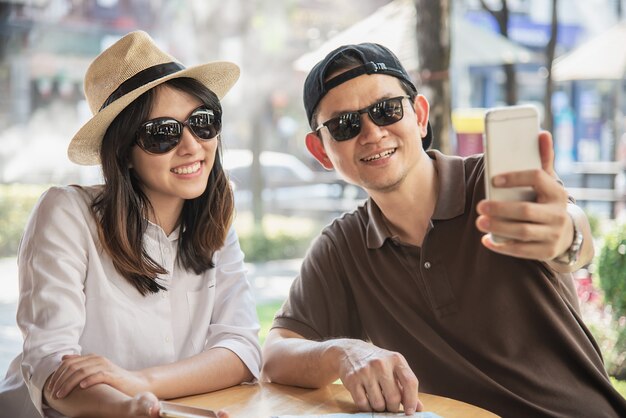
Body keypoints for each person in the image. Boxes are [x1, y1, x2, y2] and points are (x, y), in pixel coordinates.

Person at [261, 43, 626, 417]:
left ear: (419, 116)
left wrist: (565, 236)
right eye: (344, 125)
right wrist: (342, 352)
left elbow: (569, 232)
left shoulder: (492, 182)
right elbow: (275, 355)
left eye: (387, 110)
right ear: (321, 151)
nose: (372, 133)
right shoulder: (343, 247)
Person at [0, 31, 260, 418]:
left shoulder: (215, 222)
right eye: (162, 134)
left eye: (202, 123)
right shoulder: (67, 213)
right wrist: (132, 409)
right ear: (122, 153)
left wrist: (142, 385)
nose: (192, 145)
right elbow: (51, 366)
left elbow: (241, 351)